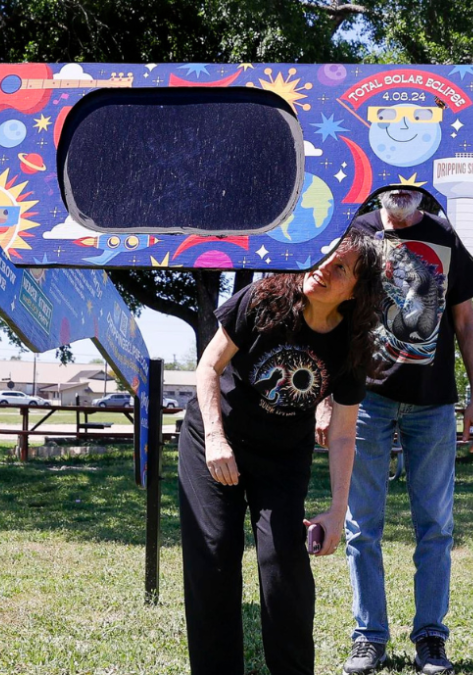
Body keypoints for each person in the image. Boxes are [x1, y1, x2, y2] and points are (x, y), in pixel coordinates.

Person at [178, 231, 383, 675]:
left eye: (342, 267)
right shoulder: (265, 297)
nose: (326, 268)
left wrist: (336, 511)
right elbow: (208, 367)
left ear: (355, 291)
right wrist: (215, 438)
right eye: (326, 255)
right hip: (215, 437)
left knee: (283, 566)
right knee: (214, 556)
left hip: (283, 455)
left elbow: (345, 434)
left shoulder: (351, 344)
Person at [317, 188, 473, 675]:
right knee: (360, 526)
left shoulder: (445, 234)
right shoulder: (355, 232)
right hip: (362, 401)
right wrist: (327, 399)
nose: (401, 192)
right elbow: (331, 316)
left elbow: (465, 321)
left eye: (411, 185)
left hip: (432, 405)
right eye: (392, 183)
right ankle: (368, 638)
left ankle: (431, 636)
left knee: (435, 526)